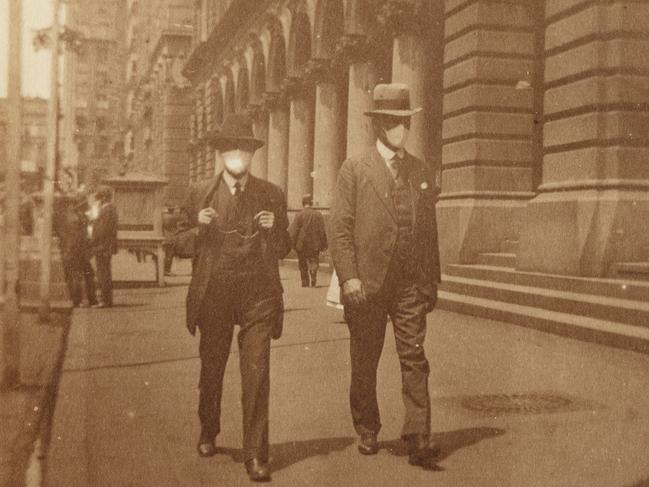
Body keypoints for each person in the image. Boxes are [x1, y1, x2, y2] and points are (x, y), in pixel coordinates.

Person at [329, 83, 441, 468]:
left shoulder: (418, 170)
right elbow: (340, 229)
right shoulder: (355, 169)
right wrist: (349, 278)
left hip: (409, 283)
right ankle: (367, 427)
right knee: (365, 359)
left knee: (414, 356)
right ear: (379, 126)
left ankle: (419, 434)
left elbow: (429, 230)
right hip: (368, 284)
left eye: (405, 122)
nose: (401, 130)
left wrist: (431, 282)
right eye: (393, 123)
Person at [182, 113, 291, 482]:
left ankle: (256, 454)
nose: (238, 155)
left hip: (258, 295)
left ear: (252, 154)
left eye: (244, 148)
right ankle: (208, 428)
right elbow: (178, 244)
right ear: (221, 153)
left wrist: (274, 230)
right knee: (212, 369)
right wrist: (199, 227)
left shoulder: (271, 194)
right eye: (231, 148)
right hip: (215, 295)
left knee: (257, 373)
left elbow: (283, 246)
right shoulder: (201, 193)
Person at [54, 192, 97, 307]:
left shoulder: (64, 217)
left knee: (76, 275)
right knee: (83, 275)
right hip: (77, 251)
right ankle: (83, 300)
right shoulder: (78, 218)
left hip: (69, 250)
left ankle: (78, 300)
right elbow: (79, 237)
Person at [89, 185, 118, 308]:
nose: (98, 200)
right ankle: (106, 299)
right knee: (104, 272)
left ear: (104, 198)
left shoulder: (107, 210)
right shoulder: (110, 209)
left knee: (103, 273)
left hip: (103, 246)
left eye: (100, 198)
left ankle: (105, 301)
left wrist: (92, 238)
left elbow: (102, 230)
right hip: (105, 246)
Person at [289, 194, 327, 287]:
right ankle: (313, 272)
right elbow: (322, 230)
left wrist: (292, 243)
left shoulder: (299, 215)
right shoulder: (318, 214)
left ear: (303, 203)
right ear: (311, 203)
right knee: (314, 260)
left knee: (302, 262)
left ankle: (305, 282)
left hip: (302, 244)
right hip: (315, 243)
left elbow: (294, 230)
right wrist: (324, 243)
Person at [162, 205, 181, 275]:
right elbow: (177, 228)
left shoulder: (163, 216)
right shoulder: (174, 217)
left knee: (164, 255)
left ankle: (162, 270)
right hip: (171, 238)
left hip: (164, 237)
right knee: (169, 255)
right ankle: (167, 270)